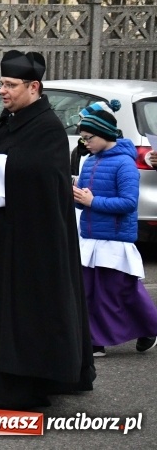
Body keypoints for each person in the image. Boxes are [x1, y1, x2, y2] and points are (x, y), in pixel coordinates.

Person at [0, 50, 95, 409]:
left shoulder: (48, 127)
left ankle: (14, 387)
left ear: (34, 87)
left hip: (31, 241)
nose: (3, 91)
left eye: (11, 85)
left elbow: (43, 176)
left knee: (23, 313)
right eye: (2, 84)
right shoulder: (7, 121)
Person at [73, 101, 157, 357]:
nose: (85, 143)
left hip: (115, 239)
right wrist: (74, 194)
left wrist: (92, 201)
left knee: (121, 290)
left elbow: (129, 203)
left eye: (89, 137)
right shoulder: (89, 161)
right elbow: (84, 197)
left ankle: (150, 327)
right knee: (89, 291)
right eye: (83, 138)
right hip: (91, 237)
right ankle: (94, 341)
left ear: (105, 134)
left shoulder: (124, 164)